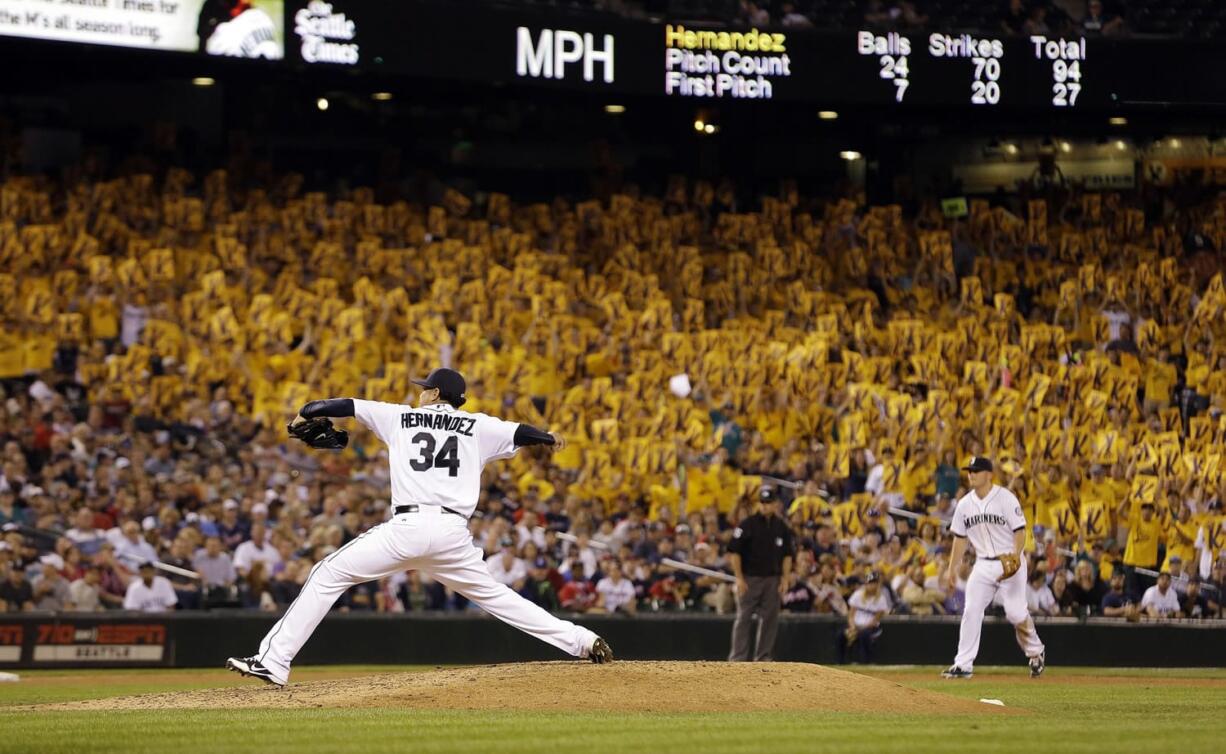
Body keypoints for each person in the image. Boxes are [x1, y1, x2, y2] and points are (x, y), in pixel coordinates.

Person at [226, 368, 611, 687]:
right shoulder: (478, 426)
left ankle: (274, 661)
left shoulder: (398, 415)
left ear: (436, 392)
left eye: (426, 388)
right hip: (452, 535)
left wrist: (302, 416)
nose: (421, 393)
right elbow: (521, 432)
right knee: (499, 598)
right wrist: (548, 437)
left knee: (328, 573)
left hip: (407, 527)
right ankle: (581, 640)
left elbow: (332, 405)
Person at [942, 457, 1045, 679]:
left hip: (1010, 561)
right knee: (971, 610)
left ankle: (1036, 652)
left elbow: (1020, 531)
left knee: (1016, 613)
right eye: (969, 471)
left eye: (976, 471)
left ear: (989, 474)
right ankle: (963, 664)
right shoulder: (964, 505)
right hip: (983, 564)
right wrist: (951, 570)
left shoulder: (1006, 498)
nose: (971, 474)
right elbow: (959, 540)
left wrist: (1016, 556)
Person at [727, 487, 795, 662]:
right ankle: (738, 658)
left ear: (775, 504)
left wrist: (785, 578)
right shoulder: (747, 524)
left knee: (770, 620)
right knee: (743, 618)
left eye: (768, 503)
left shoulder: (781, 527)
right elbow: (735, 552)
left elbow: (788, 555)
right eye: (763, 502)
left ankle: (763, 657)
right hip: (750, 579)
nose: (765, 506)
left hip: (772, 579)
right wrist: (739, 578)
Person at [842, 571, 891, 662]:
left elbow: (875, 620)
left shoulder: (881, 598)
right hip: (855, 626)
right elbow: (851, 615)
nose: (872, 585)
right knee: (840, 635)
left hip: (870, 628)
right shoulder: (857, 595)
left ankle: (864, 662)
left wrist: (859, 629)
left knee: (863, 635)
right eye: (870, 583)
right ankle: (840, 662)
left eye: (874, 583)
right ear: (866, 584)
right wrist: (852, 627)